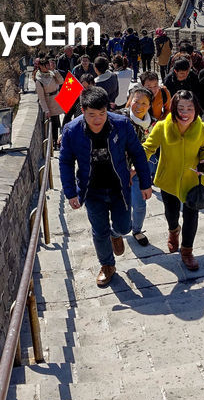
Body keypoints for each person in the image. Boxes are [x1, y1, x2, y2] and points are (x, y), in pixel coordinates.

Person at [60, 87, 154, 288]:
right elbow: (66, 161)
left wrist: (146, 183)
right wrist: (70, 192)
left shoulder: (121, 124)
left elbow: (137, 152)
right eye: (92, 115)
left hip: (119, 187)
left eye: (102, 114)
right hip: (91, 190)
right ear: (83, 110)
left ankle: (116, 234)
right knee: (99, 231)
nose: (97, 120)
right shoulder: (71, 130)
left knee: (124, 227)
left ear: (107, 110)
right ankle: (107, 265)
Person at [143, 90, 204, 271]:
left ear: (195, 110)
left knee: (192, 215)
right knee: (171, 213)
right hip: (169, 179)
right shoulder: (162, 126)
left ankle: (187, 251)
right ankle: (173, 230)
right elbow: (148, 147)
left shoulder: (202, 128)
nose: (185, 113)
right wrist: (137, 165)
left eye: (189, 108)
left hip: (192, 181)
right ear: (174, 109)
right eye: (180, 108)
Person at [124, 87, 156, 247]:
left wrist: (136, 169)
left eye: (144, 103)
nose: (139, 106)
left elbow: (153, 148)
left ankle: (137, 230)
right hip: (120, 171)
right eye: (136, 101)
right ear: (130, 101)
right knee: (120, 205)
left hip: (140, 171)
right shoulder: (119, 120)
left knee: (139, 204)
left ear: (149, 106)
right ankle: (116, 231)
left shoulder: (153, 124)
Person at [33, 56, 65, 149]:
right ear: (41, 67)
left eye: (48, 64)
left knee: (57, 121)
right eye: (45, 65)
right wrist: (46, 110)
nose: (47, 66)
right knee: (53, 124)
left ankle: (57, 141)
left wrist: (55, 72)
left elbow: (61, 81)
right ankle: (54, 143)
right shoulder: (39, 80)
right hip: (49, 102)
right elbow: (41, 97)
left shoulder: (51, 73)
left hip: (56, 99)